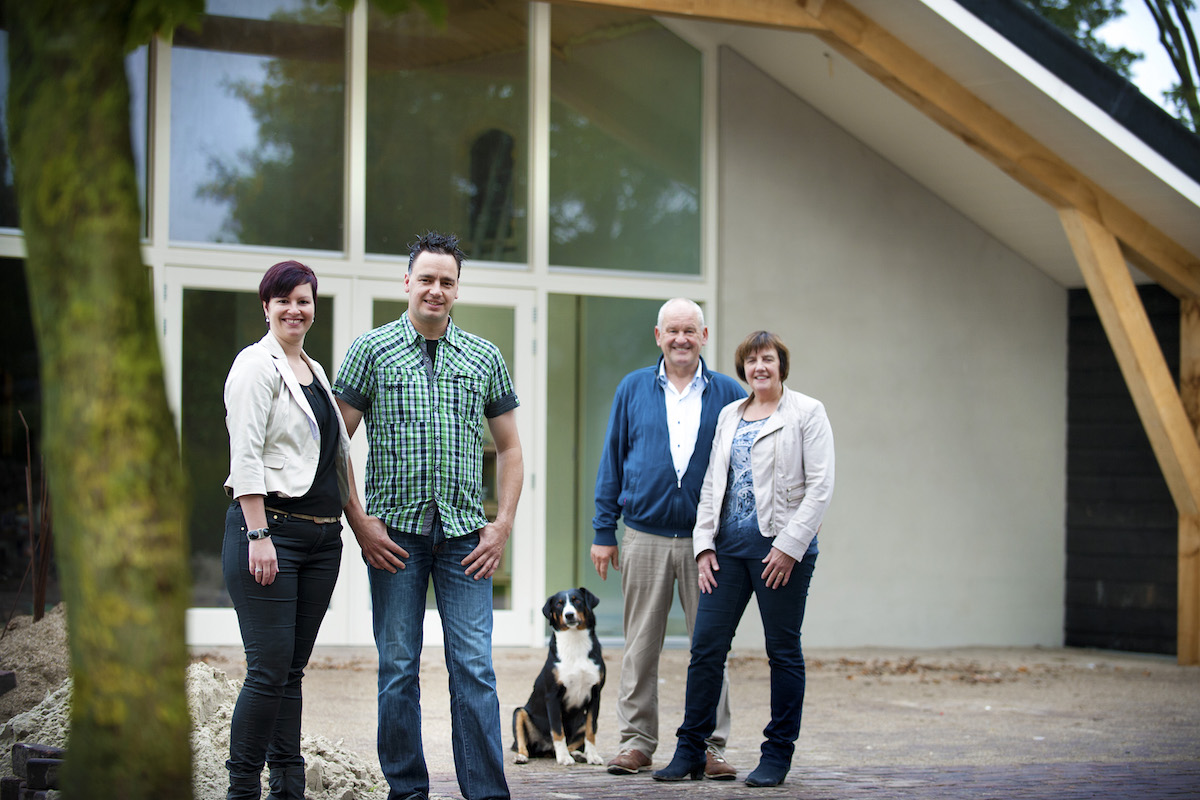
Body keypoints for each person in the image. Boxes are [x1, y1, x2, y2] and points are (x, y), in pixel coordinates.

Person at [334, 231, 523, 800]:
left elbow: (511, 449)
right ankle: (408, 790)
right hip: (394, 536)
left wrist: (502, 525)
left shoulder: (484, 356)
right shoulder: (372, 350)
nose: (436, 290)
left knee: (475, 670)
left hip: (467, 536)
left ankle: (486, 793)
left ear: (457, 289)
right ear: (407, 283)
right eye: (427, 279)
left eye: (447, 281)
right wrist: (358, 522)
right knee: (397, 669)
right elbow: (335, 446)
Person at [653, 330, 834, 788]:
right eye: (752, 361)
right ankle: (690, 749)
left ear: (781, 365)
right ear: (743, 369)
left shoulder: (807, 413)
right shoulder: (732, 413)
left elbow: (820, 488)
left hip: (781, 555)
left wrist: (789, 547)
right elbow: (713, 484)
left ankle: (777, 754)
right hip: (727, 554)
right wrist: (704, 545)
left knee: (783, 652)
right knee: (706, 649)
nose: (760, 367)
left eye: (768, 359)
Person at [590, 298, 746, 779]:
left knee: (710, 646)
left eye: (690, 331)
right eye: (672, 330)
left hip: (709, 545)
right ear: (658, 335)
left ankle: (708, 745)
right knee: (640, 645)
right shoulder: (633, 388)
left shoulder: (729, 394)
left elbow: (744, 471)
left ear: (704, 336)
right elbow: (613, 458)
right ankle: (636, 742)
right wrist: (604, 530)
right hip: (644, 536)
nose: (681, 338)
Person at [222, 260, 353, 800]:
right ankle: (242, 790)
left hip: (322, 539)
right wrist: (258, 535)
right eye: (284, 300)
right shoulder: (256, 366)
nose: (295, 309)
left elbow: (335, 453)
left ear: (314, 306)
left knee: (291, 672)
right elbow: (245, 456)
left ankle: (288, 789)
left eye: (304, 299)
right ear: (266, 306)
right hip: (271, 533)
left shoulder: (315, 370)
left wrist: (354, 518)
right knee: (268, 671)